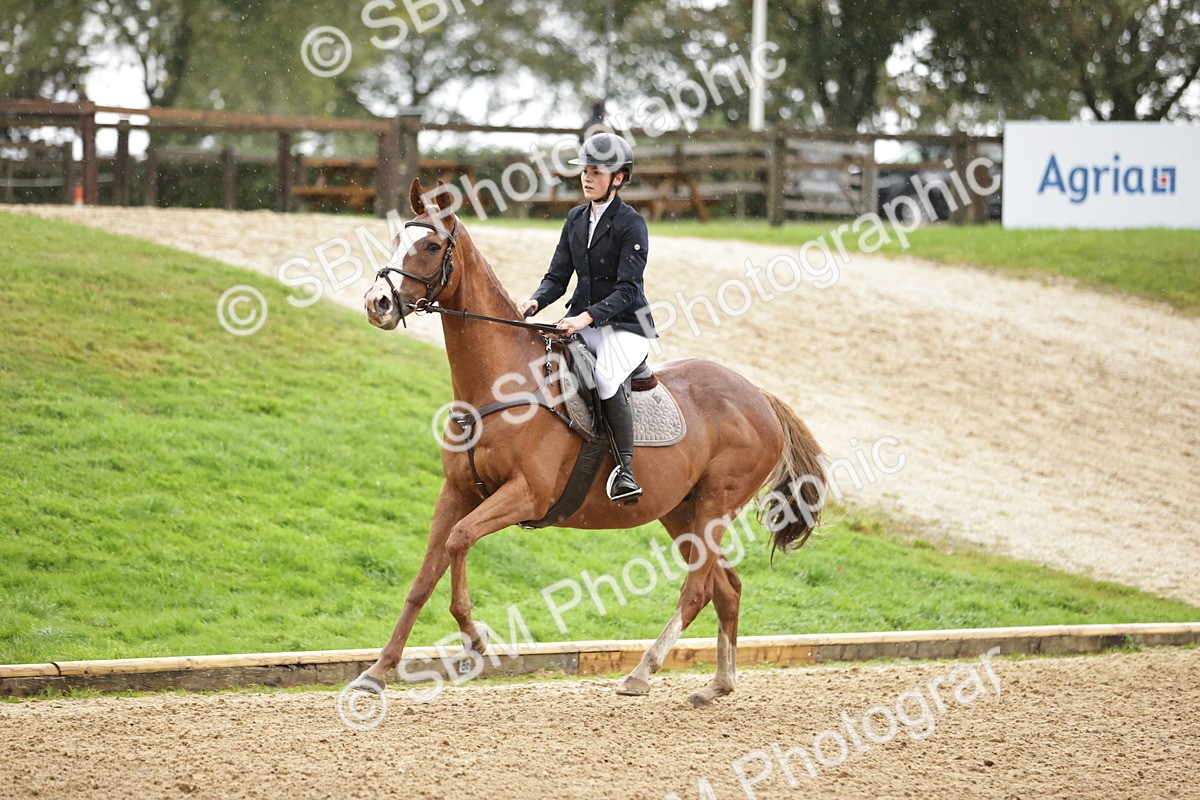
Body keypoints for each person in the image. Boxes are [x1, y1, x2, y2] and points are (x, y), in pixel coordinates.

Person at [518, 132, 657, 505]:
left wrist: (585, 318)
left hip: (627, 326)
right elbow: (557, 277)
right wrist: (534, 302)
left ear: (618, 178)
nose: (587, 178)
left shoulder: (631, 223)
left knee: (606, 376)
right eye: (585, 171)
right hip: (584, 323)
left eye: (596, 172)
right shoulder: (576, 219)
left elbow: (627, 290)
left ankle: (625, 470)